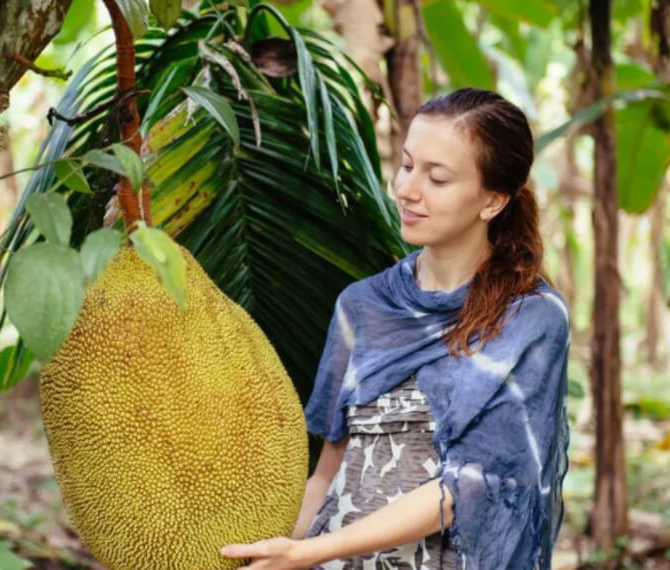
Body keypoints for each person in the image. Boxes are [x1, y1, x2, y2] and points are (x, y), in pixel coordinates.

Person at [221, 87, 571, 570]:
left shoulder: (531, 318)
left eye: (437, 177)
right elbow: (327, 474)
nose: (407, 190)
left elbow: (467, 485)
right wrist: (266, 553)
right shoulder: (362, 305)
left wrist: (307, 553)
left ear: (492, 200)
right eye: (407, 166)